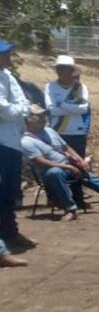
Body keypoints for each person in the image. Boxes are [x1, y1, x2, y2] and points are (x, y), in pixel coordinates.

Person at [21, 106, 99, 220]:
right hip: (50, 171)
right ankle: (70, 208)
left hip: (68, 166)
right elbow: (41, 161)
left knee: (92, 179)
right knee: (54, 173)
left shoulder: (50, 131)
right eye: (39, 116)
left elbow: (66, 148)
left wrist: (80, 161)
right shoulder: (26, 141)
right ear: (28, 119)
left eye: (43, 115)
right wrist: (67, 167)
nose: (43, 118)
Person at [0, 38, 37, 252]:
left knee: (11, 191)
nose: (7, 57)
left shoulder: (7, 76)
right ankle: (7, 236)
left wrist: (19, 109)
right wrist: (20, 109)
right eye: (4, 54)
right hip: (2, 142)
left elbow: (25, 102)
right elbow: (5, 110)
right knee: (3, 191)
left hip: (13, 141)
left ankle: (10, 232)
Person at [45, 55, 91, 157]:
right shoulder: (50, 87)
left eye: (64, 68)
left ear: (71, 70)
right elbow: (51, 110)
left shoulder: (81, 88)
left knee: (78, 167)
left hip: (77, 133)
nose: (60, 71)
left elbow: (83, 109)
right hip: (57, 132)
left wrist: (62, 104)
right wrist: (74, 109)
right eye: (59, 68)